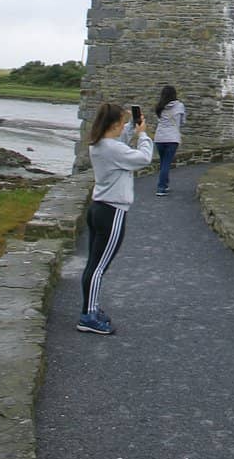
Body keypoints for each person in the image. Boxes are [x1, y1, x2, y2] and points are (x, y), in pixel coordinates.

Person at [78, 102, 153, 335]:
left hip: (98, 208)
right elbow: (144, 158)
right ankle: (88, 316)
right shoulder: (113, 149)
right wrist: (143, 135)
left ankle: (90, 308)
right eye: (121, 123)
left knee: (93, 264)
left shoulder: (99, 144)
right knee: (99, 267)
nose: (123, 127)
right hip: (113, 212)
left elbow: (119, 143)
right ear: (112, 125)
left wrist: (131, 126)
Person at [153, 84, 186, 196]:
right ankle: (161, 188)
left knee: (163, 162)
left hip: (159, 138)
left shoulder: (160, 107)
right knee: (166, 163)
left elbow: (159, 120)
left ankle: (165, 184)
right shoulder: (180, 106)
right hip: (172, 138)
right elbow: (182, 121)